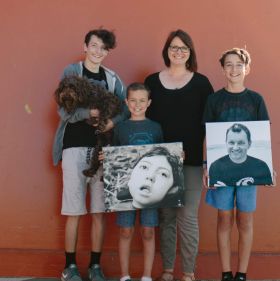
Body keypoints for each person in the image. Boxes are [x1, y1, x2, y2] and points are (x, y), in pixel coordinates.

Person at [52, 27, 127, 281]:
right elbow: (63, 111)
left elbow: (125, 110)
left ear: (108, 52)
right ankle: (69, 266)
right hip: (73, 148)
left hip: (102, 152)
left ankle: (95, 265)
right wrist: (91, 115)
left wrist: (110, 123)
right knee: (73, 210)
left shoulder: (113, 78)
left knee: (98, 212)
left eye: (103, 48)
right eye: (93, 46)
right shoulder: (71, 72)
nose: (98, 51)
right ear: (85, 46)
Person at [144, 29, 214, 281]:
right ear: (166, 51)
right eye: (174, 47)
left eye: (183, 48)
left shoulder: (202, 83)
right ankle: (167, 270)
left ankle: (187, 273)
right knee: (167, 217)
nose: (178, 52)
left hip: (192, 162)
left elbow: (212, 126)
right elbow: (143, 121)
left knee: (188, 218)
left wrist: (210, 161)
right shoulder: (151, 82)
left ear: (190, 53)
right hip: (160, 164)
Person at [202, 48, 270, 281]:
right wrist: (206, 165)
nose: (234, 69)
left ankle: (241, 273)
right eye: (228, 64)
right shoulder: (214, 100)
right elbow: (207, 135)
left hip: (249, 170)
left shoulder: (256, 99)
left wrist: (269, 167)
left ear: (247, 68)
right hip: (221, 169)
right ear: (223, 69)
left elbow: (263, 136)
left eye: (239, 64)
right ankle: (225, 272)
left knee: (245, 218)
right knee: (224, 218)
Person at [113, 83, 163, 281]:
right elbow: (114, 157)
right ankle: (124, 275)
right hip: (126, 188)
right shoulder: (120, 128)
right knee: (125, 230)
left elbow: (163, 157)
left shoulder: (156, 128)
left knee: (148, 230)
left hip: (150, 189)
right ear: (126, 102)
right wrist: (106, 158)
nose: (137, 104)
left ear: (149, 102)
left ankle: (147, 276)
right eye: (133, 100)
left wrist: (178, 156)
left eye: (142, 101)